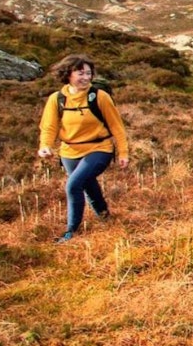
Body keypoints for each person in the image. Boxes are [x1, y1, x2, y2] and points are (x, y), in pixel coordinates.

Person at [37, 53, 129, 243]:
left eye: (89, 73)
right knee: (88, 185)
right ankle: (104, 216)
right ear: (68, 75)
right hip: (69, 151)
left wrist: (123, 152)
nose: (86, 78)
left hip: (99, 148)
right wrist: (45, 146)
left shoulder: (100, 97)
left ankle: (71, 231)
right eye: (80, 73)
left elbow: (116, 127)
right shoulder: (57, 99)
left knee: (73, 185)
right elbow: (49, 127)